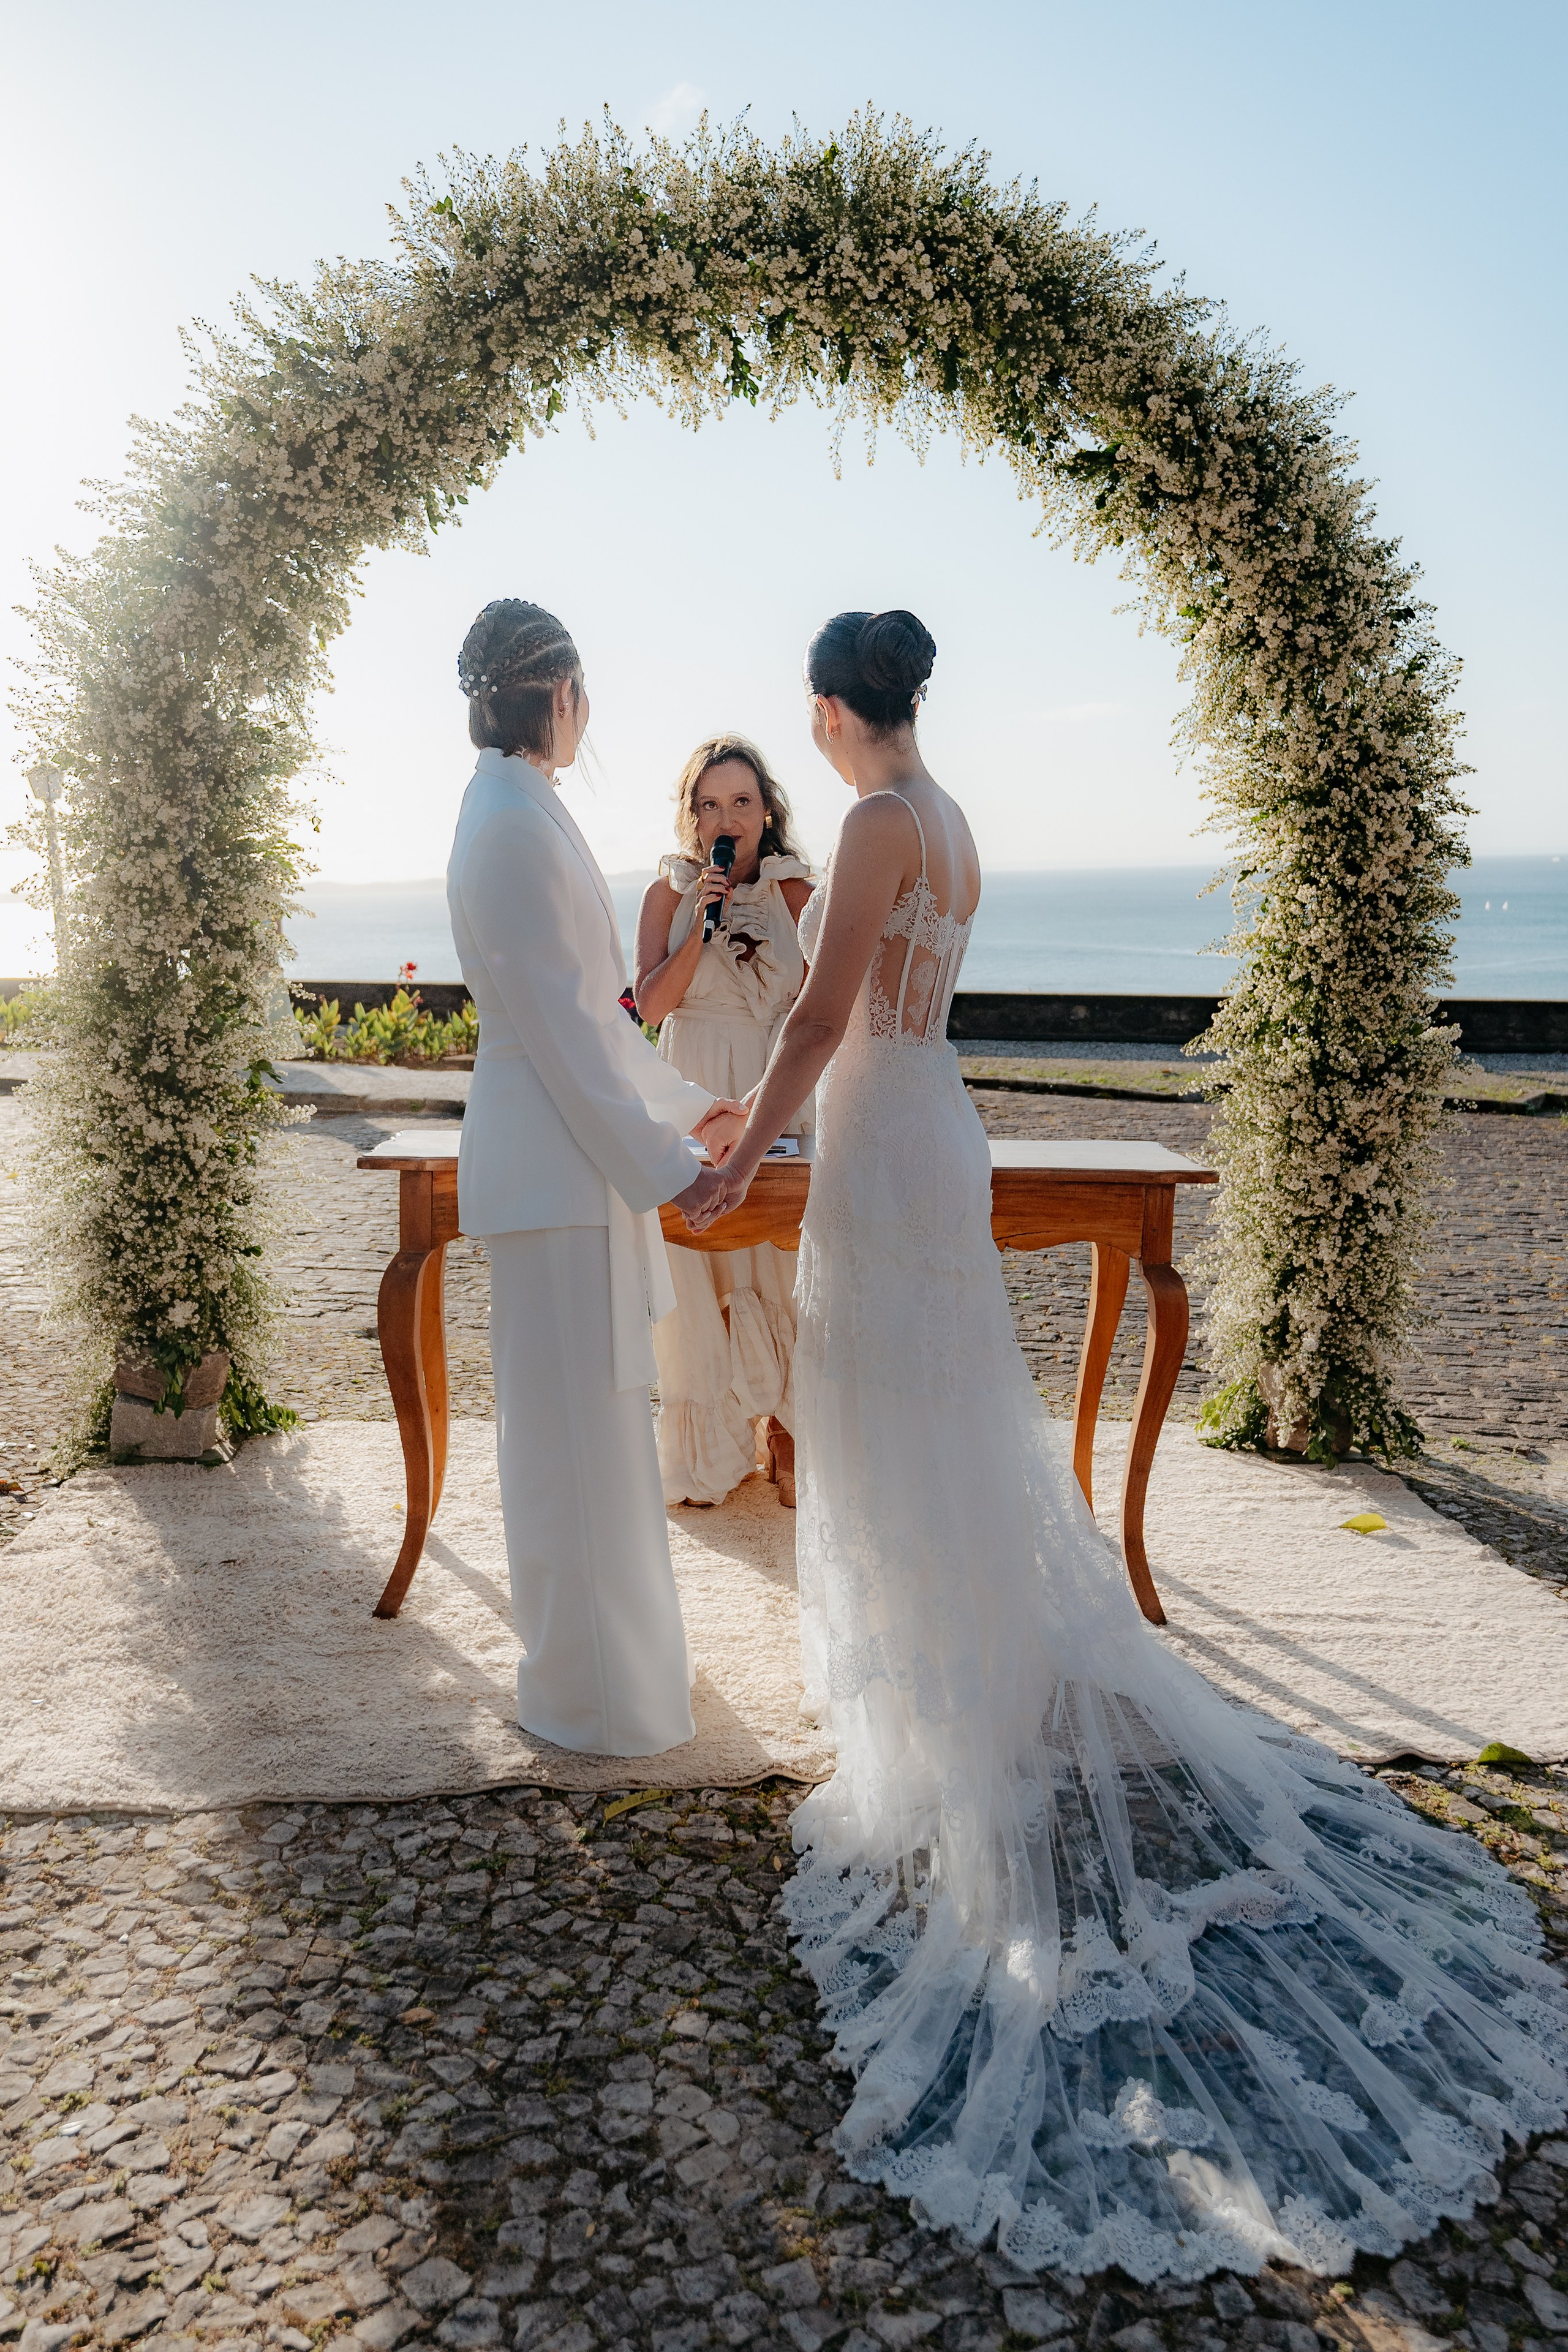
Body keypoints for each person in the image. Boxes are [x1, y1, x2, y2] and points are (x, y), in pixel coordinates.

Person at [685, 608, 1567, 2281]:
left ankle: (936, 1733)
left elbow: (818, 1019)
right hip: (933, 1118)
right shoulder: (950, 821)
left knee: (886, 1418)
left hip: (881, 1139)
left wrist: (742, 1152)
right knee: (933, 1413)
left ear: (824, 708)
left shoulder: (873, 820)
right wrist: (764, 1102)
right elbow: (882, 1005)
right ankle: (966, 1686)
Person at [447, 600, 745, 1758]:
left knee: (599, 1433)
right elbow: (567, 1037)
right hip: (554, 1174)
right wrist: (674, 1168)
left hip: (571, 1164)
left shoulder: (525, 810)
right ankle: (593, 1697)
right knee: (570, 1442)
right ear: (559, 692)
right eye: (586, 694)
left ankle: (624, 1672)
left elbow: (601, 1023)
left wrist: (689, 1110)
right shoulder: (511, 825)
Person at [635, 734, 815, 1508]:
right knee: (698, 1254)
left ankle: (788, 1428)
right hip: (689, 1083)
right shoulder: (667, 895)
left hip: (772, 1083)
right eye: (710, 804)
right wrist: (699, 928)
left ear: (766, 809)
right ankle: (712, 1449)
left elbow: (821, 1003)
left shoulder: (799, 892)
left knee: (779, 1256)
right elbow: (647, 1008)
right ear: (692, 815)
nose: (727, 817)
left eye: (741, 802)